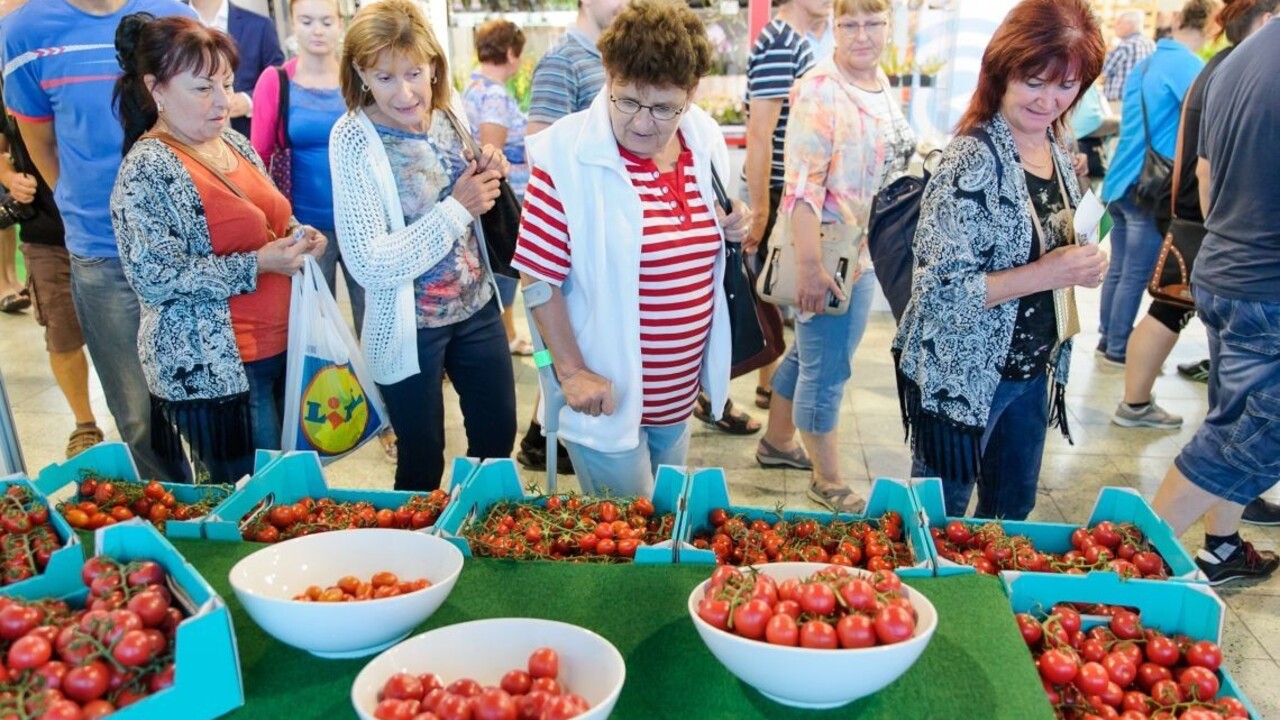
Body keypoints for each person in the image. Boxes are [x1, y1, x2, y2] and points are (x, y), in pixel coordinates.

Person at [512, 0, 750, 495]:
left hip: (679, 397)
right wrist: (571, 372)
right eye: (628, 101)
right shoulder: (565, 155)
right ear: (608, 76)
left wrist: (730, 226)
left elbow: (695, 233)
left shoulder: (701, 136)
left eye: (664, 107)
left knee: (666, 523)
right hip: (607, 401)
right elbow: (537, 278)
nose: (644, 123)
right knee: (626, 546)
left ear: (691, 93)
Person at [892, 0, 1108, 520]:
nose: (1049, 99)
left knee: (1012, 511)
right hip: (964, 375)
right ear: (1003, 68)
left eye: (1065, 86)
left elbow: (1056, 237)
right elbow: (940, 294)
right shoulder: (972, 158)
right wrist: (1051, 271)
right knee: (939, 517)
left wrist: (1083, 260)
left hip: (1034, 366)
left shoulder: (1053, 144)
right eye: (1035, 81)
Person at [110, 14, 324, 483]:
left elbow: (267, 214)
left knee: (293, 485)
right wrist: (260, 263)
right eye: (203, 88)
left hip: (279, 348)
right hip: (219, 370)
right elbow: (154, 277)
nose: (223, 102)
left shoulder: (231, 142)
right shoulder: (146, 169)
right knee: (252, 497)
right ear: (157, 90)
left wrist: (296, 233)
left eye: (226, 85)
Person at [3, 0, 198, 482]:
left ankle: (226, 501)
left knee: (210, 394)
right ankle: (175, 511)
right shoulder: (25, 31)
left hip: (187, 242)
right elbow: (40, 143)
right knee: (136, 408)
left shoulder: (170, 12)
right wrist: (86, 210)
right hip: (99, 250)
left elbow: (203, 111)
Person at [330, 0, 515, 492]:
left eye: (415, 72)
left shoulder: (447, 113)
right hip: (409, 326)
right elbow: (369, 263)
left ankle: (480, 540)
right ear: (361, 73)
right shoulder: (352, 138)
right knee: (420, 459)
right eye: (386, 77)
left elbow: (473, 194)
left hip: (476, 307)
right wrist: (458, 206)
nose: (407, 91)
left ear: (434, 62)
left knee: (497, 440)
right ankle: (414, 559)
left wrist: (488, 165)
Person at [753, 0, 912, 513]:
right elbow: (802, 190)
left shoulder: (879, 80)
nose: (861, 34)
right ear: (834, 28)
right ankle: (828, 479)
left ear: (888, 25)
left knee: (813, 352)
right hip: (831, 253)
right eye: (850, 24)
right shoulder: (820, 88)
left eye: (872, 22)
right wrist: (812, 268)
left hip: (864, 251)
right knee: (829, 368)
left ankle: (777, 442)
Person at [1149, 13, 1280, 584]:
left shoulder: (1240, 56)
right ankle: (1122, 564)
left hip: (1228, 267)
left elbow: (1204, 173)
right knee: (1247, 436)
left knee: (1232, 419)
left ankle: (1222, 546)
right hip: (1266, 285)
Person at [250, 0, 400, 465]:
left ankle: (389, 421)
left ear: (342, 24)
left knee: (377, 323)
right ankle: (312, 421)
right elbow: (256, 157)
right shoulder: (276, 81)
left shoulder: (359, 79)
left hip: (364, 226)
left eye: (327, 21)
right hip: (303, 230)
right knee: (306, 329)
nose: (317, 31)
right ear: (292, 24)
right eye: (307, 21)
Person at [1113, 0, 1270, 434]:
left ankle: (1136, 401)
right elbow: (1206, 167)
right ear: (1264, 20)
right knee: (1170, 307)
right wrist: (1219, 225)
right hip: (1208, 217)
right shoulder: (1240, 69)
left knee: (1167, 305)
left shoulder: (1213, 67)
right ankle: (1148, 407)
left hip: (1188, 209)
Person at [517, 0, 627, 472]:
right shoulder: (563, 60)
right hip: (572, 247)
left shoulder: (615, 56)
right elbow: (543, 151)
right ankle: (545, 438)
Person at [1097, 1, 1210, 367]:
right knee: (1135, 272)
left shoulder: (1144, 63)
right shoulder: (1191, 67)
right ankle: (1118, 348)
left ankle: (1106, 339)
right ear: (1210, 29)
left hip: (1119, 178)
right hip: (1151, 184)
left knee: (1119, 268)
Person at [735, 0, 824, 429]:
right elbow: (760, 131)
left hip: (786, 189)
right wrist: (762, 210)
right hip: (774, 189)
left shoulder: (798, 41)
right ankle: (752, 384)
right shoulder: (779, 43)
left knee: (771, 295)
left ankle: (767, 383)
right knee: (765, 293)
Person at [0, 92, 102, 457]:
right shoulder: (12, 84)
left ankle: (146, 419)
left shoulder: (84, 71)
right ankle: (85, 424)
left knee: (129, 333)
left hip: (105, 228)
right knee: (61, 333)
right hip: (45, 232)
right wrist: (10, 178)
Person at [463, 18, 534, 357]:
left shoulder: (474, 85)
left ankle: (506, 334)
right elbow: (494, 153)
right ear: (510, 53)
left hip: (488, 196)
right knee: (507, 267)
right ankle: (505, 336)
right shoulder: (493, 94)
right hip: (504, 197)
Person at [189, 0, 284, 138]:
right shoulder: (167, 20)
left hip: (246, 134)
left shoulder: (260, 26)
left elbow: (279, 80)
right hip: (185, 139)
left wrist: (249, 100)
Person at [1101, 10, 1155, 104]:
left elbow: (1103, 69)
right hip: (1141, 101)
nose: (1115, 26)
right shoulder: (1151, 44)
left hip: (1119, 101)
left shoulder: (1125, 46)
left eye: (1118, 23)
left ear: (1129, 25)